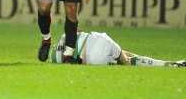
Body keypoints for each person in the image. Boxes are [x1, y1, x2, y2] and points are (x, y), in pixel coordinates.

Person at [52, 30, 186, 67]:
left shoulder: (55, 57)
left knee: (124, 61)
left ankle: (169, 65)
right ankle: (167, 64)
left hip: (93, 62)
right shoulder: (67, 34)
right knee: (126, 59)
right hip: (101, 41)